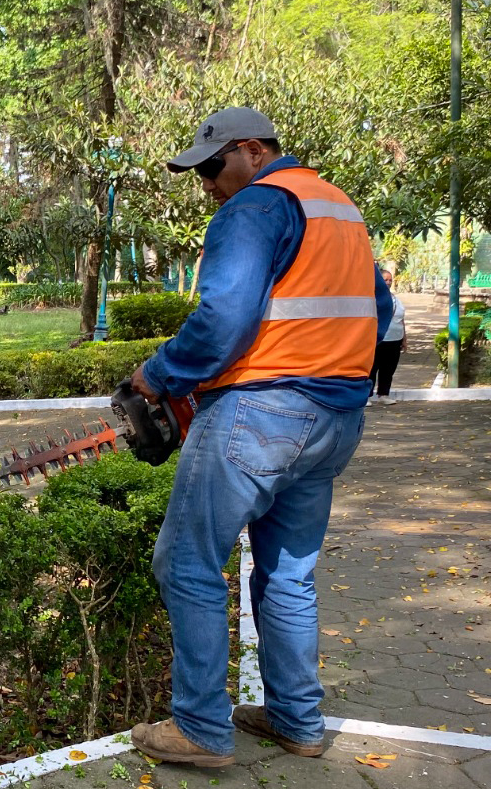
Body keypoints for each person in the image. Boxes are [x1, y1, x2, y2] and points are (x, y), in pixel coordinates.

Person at [128, 107, 394, 767]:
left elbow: (223, 321)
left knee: (186, 561)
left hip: (261, 415)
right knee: (287, 573)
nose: (209, 185)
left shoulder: (255, 208)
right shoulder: (340, 207)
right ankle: (297, 719)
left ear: (250, 150)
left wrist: (158, 376)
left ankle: (200, 727)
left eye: (213, 168)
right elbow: (383, 318)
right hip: (335, 420)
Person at [367, 268, 405, 405]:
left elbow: (401, 319)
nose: (388, 282)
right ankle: (368, 395)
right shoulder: (372, 298)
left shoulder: (396, 299)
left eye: (390, 280)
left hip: (395, 339)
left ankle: (384, 394)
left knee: (388, 368)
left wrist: (404, 340)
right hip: (378, 339)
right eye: (385, 280)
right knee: (373, 368)